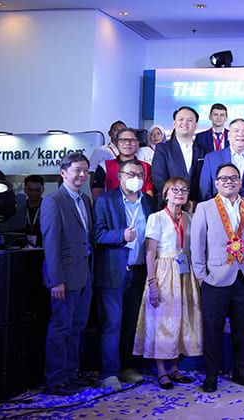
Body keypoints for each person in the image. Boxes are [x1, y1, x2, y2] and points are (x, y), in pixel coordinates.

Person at [191, 163, 244, 393]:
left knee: (243, 329)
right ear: (216, 183)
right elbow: (197, 244)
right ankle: (211, 374)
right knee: (213, 329)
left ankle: (241, 370)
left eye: (233, 177)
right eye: (224, 178)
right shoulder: (205, 207)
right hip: (215, 277)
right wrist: (201, 274)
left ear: (240, 182)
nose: (229, 181)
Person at [93, 159, 156, 390]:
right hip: (112, 272)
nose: (135, 178)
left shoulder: (148, 201)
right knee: (112, 324)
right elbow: (96, 234)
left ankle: (126, 367)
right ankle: (109, 373)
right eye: (130, 174)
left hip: (138, 271)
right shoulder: (105, 200)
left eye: (139, 174)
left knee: (131, 323)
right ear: (120, 176)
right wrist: (121, 235)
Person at [133, 177, 201, 390]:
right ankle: (161, 371)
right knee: (162, 320)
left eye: (184, 190)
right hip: (164, 272)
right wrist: (152, 282)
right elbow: (150, 252)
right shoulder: (157, 218)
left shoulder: (188, 217)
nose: (180, 193)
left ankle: (175, 368)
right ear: (165, 194)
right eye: (175, 189)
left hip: (185, 271)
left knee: (181, 320)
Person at [40, 152, 94, 396]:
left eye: (85, 170)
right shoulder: (53, 201)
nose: (82, 175)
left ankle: (71, 374)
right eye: (77, 170)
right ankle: (56, 379)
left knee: (77, 328)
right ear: (63, 173)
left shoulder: (85, 199)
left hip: (84, 274)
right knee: (60, 328)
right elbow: (50, 244)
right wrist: (56, 281)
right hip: (64, 277)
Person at [199, 118, 244, 201]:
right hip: (218, 207)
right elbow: (205, 189)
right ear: (228, 136)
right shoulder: (211, 158)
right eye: (236, 131)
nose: (240, 134)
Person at [151, 106, 207, 205]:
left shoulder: (205, 151)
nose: (185, 123)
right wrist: (178, 198)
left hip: (197, 205)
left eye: (190, 120)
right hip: (169, 205)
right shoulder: (163, 149)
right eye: (181, 119)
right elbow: (158, 178)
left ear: (195, 125)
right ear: (174, 123)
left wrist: (195, 203)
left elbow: (206, 182)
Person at [92, 127, 154, 201]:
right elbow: (97, 193)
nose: (127, 143)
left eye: (132, 140)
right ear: (116, 144)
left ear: (138, 144)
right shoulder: (104, 166)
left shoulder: (146, 167)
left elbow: (149, 194)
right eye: (123, 140)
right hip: (111, 207)